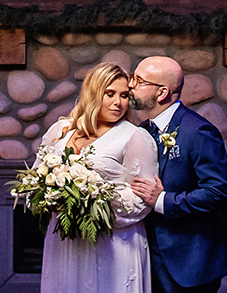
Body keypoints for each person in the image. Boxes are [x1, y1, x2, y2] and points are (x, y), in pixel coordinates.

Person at [37, 63, 157, 292]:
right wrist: (57, 199)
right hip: (66, 241)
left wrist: (91, 203)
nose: (118, 103)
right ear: (93, 94)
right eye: (109, 94)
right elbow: (39, 178)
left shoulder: (135, 137)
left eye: (124, 95)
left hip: (113, 244)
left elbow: (141, 201)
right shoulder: (60, 130)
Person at [127, 55, 227, 293]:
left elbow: (219, 192)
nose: (131, 85)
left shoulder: (199, 131)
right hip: (149, 257)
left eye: (139, 80)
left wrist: (163, 200)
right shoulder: (143, 131)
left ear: (162, 93)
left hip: (190, 262)